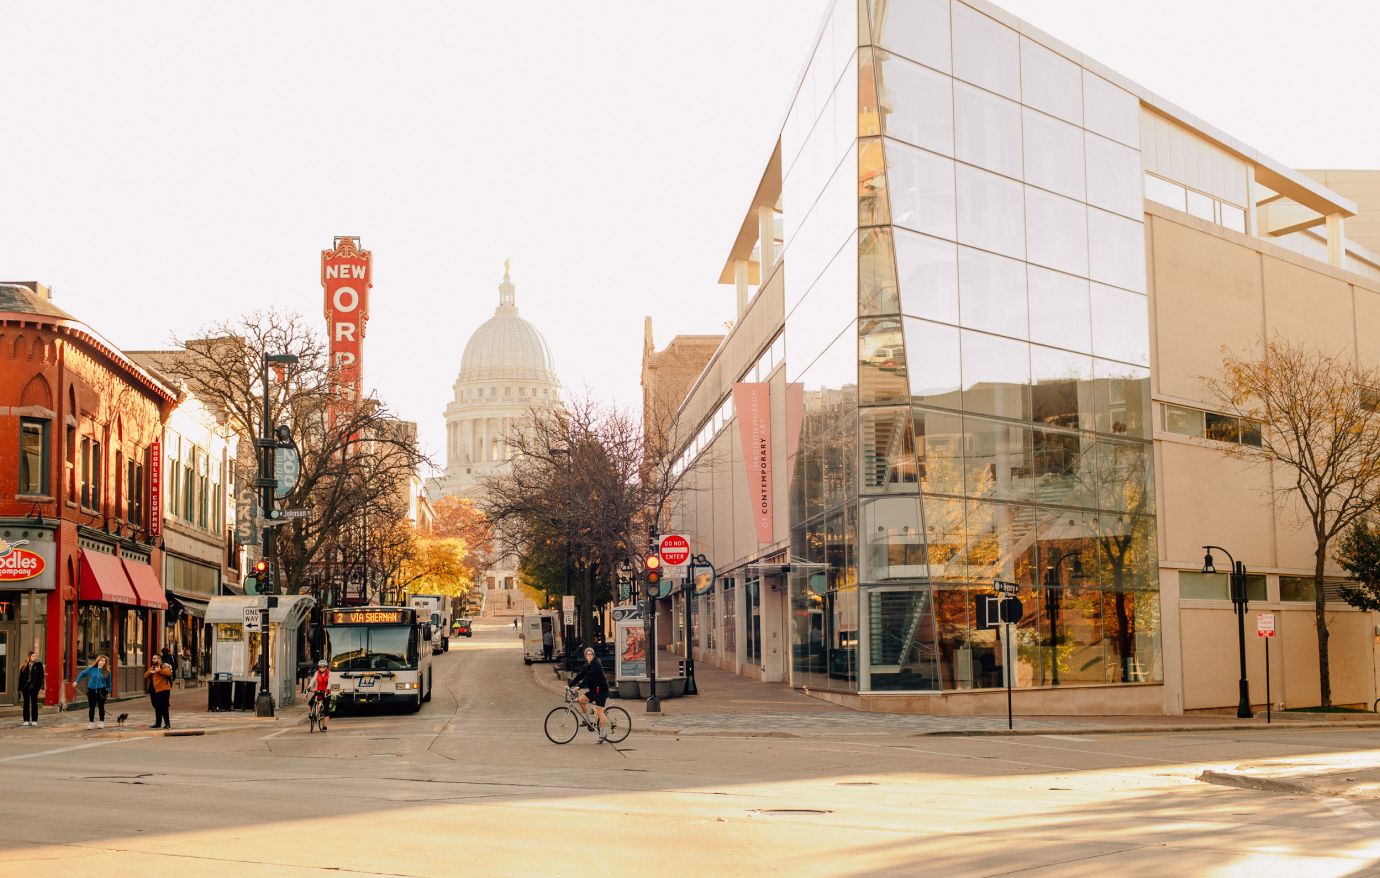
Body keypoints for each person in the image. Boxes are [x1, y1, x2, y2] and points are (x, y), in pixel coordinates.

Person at [567, 646, 610, 743]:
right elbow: (580, 675)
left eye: (591, 654)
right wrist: (570, 685)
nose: (589, 656)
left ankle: (602, 733)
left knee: (599, 712)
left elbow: (589, 677)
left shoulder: (596, 664)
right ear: (585, 656)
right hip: (594, 690)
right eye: (588, 655)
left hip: (602, 690)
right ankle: (589, 721)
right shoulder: (587, 664)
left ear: (593, 655)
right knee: (581, 700)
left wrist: (579, 687)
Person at [75, 656, 111, 730]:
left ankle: (101, 722)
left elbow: (109, 683)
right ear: (98, 661)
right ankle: (91, 723)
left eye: (104, 661)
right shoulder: (91, 669)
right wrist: (76, 681)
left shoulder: (106, 671)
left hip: (102, 690)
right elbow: (82, 674)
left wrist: (108, 690)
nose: (103, 662)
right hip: (91, 690)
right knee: (92, 707)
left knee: (101, 707)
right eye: (102, 660)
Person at [145, 655, 174, 729]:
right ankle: (158, 723)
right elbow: (145, 675)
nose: (153, 660)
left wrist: (159, 670)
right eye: (152, 658)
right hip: (154, 691)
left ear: (159, 659)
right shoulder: (152, 667)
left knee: (164, 707)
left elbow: (169, 673)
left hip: (163, 689)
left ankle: (167, 723)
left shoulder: (163, 666)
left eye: (154, 658)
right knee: (156, 707)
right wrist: (151, 672)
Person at [18, 650, 43, 727]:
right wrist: (20, 688)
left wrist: (38, 687)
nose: (35, 657)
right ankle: (26, 720)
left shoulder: (38, 665)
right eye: (33, 656)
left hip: (34, 688)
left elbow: (41, 677)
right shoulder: (24, 665)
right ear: (29, 657)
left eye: (35, 656)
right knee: (26, 704)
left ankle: (34, 720)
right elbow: (21, 678)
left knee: (34, 703)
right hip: (25, 688)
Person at [310, 659, 332, 732]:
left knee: (326, 710)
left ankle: (324, 726)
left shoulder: (329, 673)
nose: (322, 668)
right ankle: (312, 714)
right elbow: (313, 680)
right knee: (310, 703)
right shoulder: (317, 673)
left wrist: (327, 689)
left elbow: (330, 682)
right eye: (320, 667)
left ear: (326, 667)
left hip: (326, 692)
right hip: (318, 691)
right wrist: (309, 687)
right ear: (318, 667)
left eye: (323, 667)